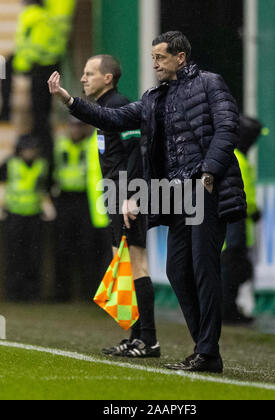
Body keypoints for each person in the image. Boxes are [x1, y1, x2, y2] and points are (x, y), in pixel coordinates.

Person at [48, 31, 246, 373]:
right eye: (153, 57)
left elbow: (229, 128)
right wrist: (70, 101)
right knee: (176, 270)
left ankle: (207, 350)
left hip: (205, 190)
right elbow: (113, 119)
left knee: (203, 267)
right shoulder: (155, 98)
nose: (154, 63)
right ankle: (204, 348)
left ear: (180, 57)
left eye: (160, 57)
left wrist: (209, 173)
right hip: (177, 196)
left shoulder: (211, 83)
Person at [54, 54, 159, 358]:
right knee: (124, 267)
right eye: (83, 73)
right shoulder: (104, 109)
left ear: (107, 78)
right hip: (116, 196)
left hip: (127, 197)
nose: (84, 78)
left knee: (137, 264)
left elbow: (137, 154)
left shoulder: (119, 106)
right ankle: (135, 337)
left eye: (89, 73)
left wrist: (132, 196)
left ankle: (149, 340)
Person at [0, 0, 76, 159]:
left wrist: (22, 69)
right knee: (40, 116)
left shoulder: (32, 16)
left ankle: (6, 108)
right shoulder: (47, 16)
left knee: (39, 117)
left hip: (37, 70)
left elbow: (28, 47)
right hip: (47, 65)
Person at [52, 116, 111, 302]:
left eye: (79, 126)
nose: (76, 130)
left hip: (85, 201)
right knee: (63, 249)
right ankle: (62, 293)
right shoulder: (60, 146)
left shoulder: (90, 146)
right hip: (64, 199)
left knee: (87, 249)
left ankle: (88, 292)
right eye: (73, 126)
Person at [0, 134, 54, 301]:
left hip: (34, 215)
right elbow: (2, 186)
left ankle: (32, 291)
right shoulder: (9, 164)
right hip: (14, 215)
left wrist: (48, 209)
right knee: (15, 255)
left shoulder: (43, 165)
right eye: (26, 149)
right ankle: (14, 291)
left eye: (32, 149)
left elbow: (46, 188)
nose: (29, 152)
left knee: (34, 256)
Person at [222, 115, 263, 324]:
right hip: (234, 225)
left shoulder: (236, 156)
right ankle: (227, 312)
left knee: (235, 269)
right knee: (233, 269)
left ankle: (229, 310)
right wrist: (254, 210)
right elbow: (242, 193)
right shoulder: (237, 158)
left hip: (236, 226)